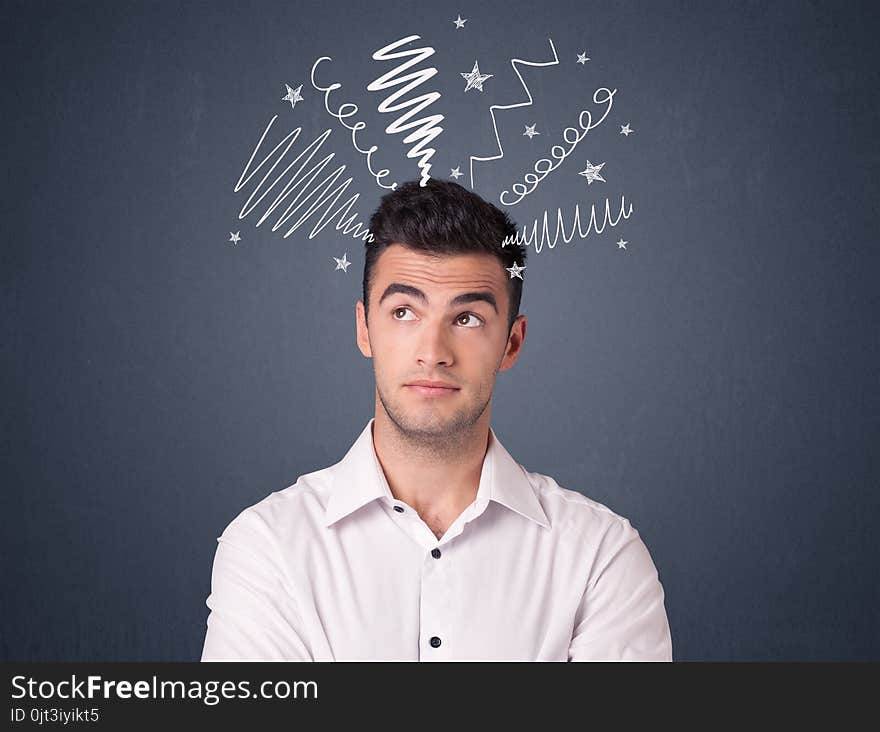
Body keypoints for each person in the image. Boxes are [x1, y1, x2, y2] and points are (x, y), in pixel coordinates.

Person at [200, 179, 672, 661]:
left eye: (467, 318)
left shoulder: (599, 556)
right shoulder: (269, 547)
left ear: (511, 342)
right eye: (404, 311)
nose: (433, 353)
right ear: (365, 329)